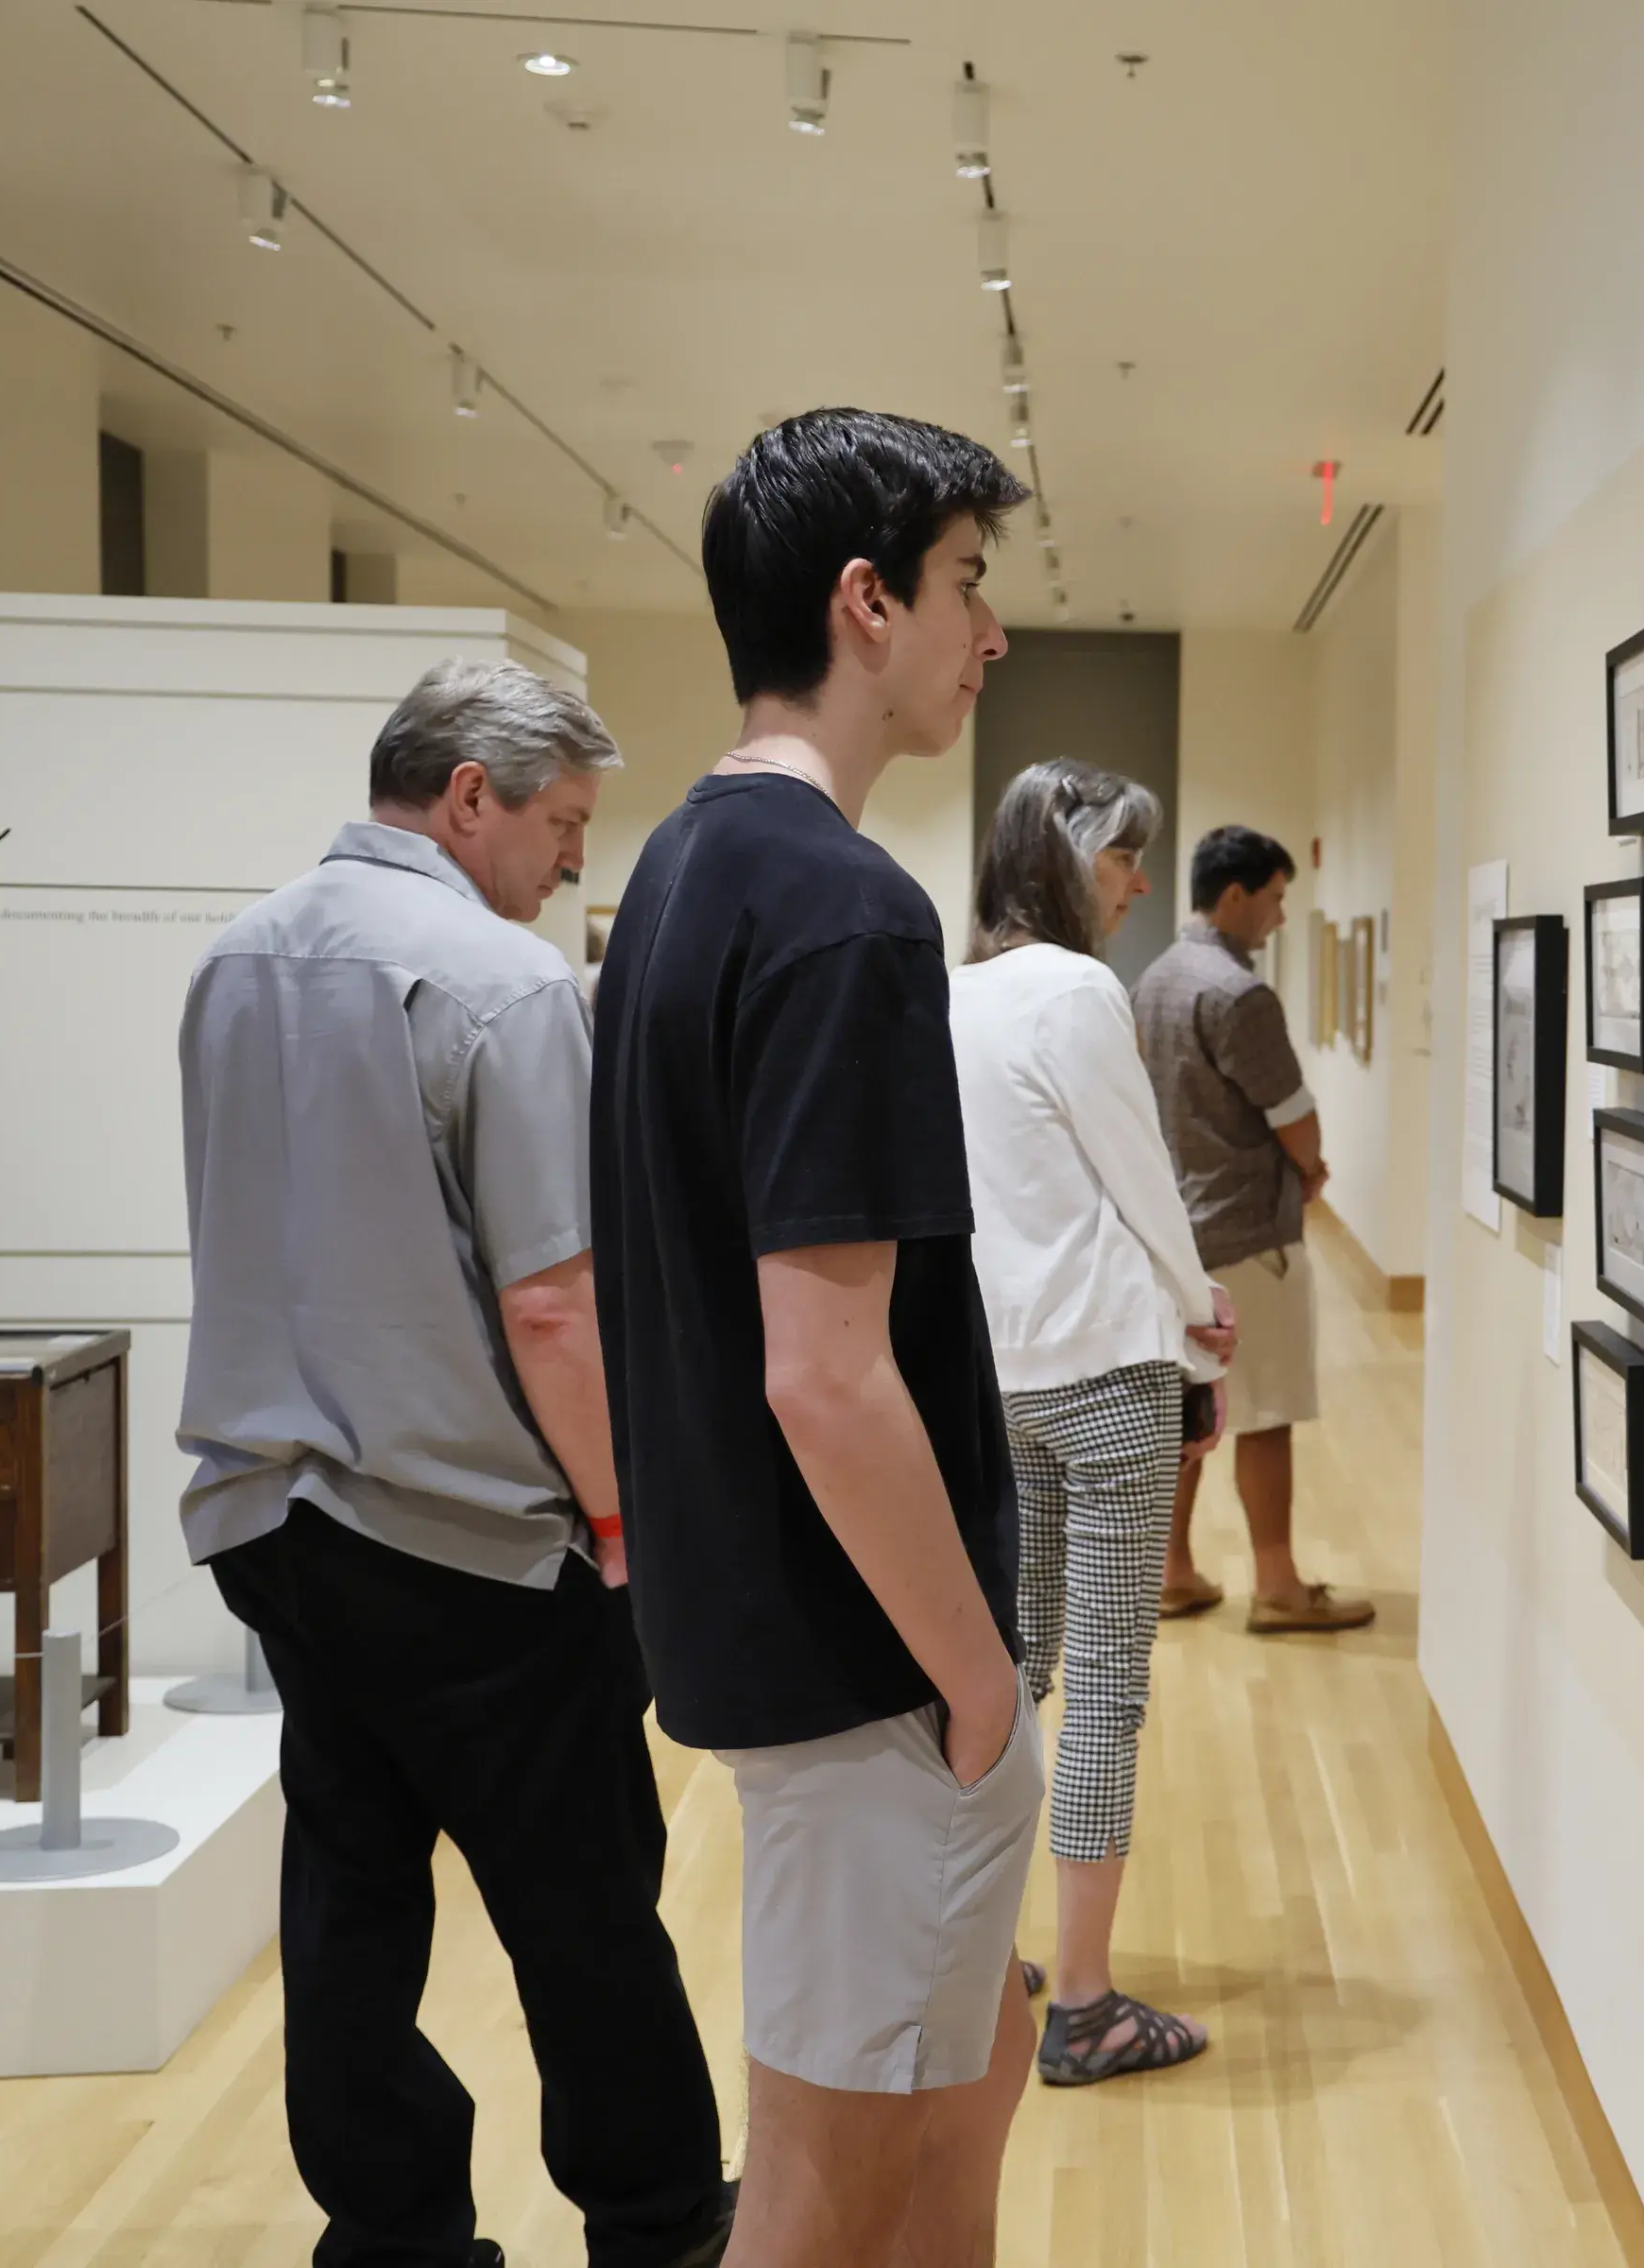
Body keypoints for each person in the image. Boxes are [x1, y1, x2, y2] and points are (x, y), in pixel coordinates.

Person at [173, 660, 733, 2268]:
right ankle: (655, 2218)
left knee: (351, 1893)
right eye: (562, 824)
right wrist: (626, 1518)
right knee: (582, 1897)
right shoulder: (496, 981)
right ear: (472, 794)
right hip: (467, 1537)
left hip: (273, 1517)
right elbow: (554, 1302)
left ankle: (394, 2232)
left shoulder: (232, 958)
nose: (572, 860)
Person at [589, 409, 1040, 2267]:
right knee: (836, 2168)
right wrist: (983, 1682)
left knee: (948, 2090)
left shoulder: (681, 875)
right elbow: (825, 1370)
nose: (988, 631)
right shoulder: (847, 911)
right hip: (864, 1665)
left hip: (776, 1635)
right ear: (865, 603)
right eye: (965, 584)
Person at [952, 759, 1236, 2086]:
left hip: (1001, 1373)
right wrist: (1205, 1310)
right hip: (1112, 1375)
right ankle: (1084, 2005)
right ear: (1066, 860)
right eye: (1123, 858)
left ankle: (981, 1960)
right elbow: (1143, 1185)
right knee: (1106, 1696)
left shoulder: (952, 995)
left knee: (1015, 1677)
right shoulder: (1078, 993)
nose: (1135, 884)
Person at [1132, 825, 1375, 1633]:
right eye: (1273, 899)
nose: (1277, 918)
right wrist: (1309, 1170)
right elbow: (1293, 1117)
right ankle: (1277, 1584)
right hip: (1247, 1238)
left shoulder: (1156, 979)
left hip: (1175, 1238)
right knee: (1265, 1413)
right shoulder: (1238, 993)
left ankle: (1173, 1571)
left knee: (1187, 1410)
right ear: (1233, 895)